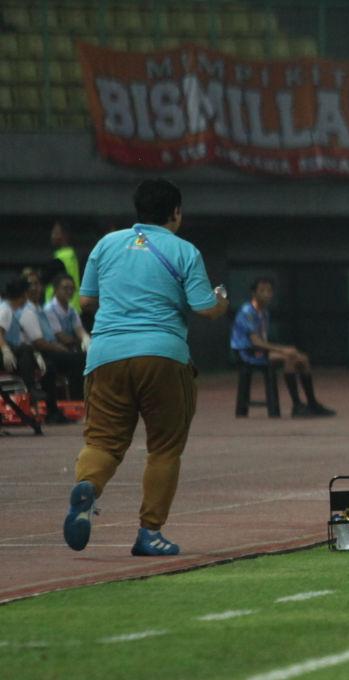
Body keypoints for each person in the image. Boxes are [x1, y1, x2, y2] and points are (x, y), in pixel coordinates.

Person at [62, 178, 230, 556]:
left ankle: (88, 487)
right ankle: (149, 533)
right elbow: (205, 308)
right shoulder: (184, 250)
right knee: (164, 448)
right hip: (163, 356)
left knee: (103, 442)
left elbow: (86, 300)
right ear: (176, 213)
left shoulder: (106, 244)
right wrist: (221, 300)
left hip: (105, 355)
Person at [230, 278, 335, 418]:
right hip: (247, 352)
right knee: (290, 357)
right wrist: (281, 350)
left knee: (302, 358)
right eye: (262, 290)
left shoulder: (264, 312)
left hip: (260, 351)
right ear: (253, 293)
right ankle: (297, 405)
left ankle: (312, 403)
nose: (266, 294)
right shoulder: (247, 311)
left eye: (269, 290)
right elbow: (255, 342)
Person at [0, 276, 78, 424]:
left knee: (47, 366)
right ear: (23, 295)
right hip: (5, 355)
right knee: (26, 350)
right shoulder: (5, 310)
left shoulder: (10, 309)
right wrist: (5, 350)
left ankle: (50, 410)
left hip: (16, 354)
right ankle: (32, 389)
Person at [44, 273, 91, 353]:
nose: (69, 291)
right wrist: (79, 343)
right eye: (65, 288)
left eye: (72, 288)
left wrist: (87, 340)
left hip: (70, 348)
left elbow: (79, 330)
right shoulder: (49, 309)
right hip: (56, 350)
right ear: (56, 289)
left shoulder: (72, 310)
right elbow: (60, 336)